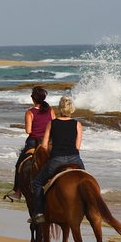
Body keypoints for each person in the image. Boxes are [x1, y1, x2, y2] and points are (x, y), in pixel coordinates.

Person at [30, 96, 84, 224]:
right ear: (72, 108)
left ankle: (39, 213)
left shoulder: (52, 123)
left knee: (37, 183)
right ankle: (87, 208)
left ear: (60, 108)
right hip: (75, 159)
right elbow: (77, 147)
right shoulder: (77, 124)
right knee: (85, 181)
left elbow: (43, 146)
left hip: (57, 160)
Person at [4, 86, 56, 201]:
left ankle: (17, 192)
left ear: (33, 99)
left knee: (19, 165)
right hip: (49, 142)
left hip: (34, 142)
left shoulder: (30, 112)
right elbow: (54, 125)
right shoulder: (50, 110)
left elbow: (28, 131)